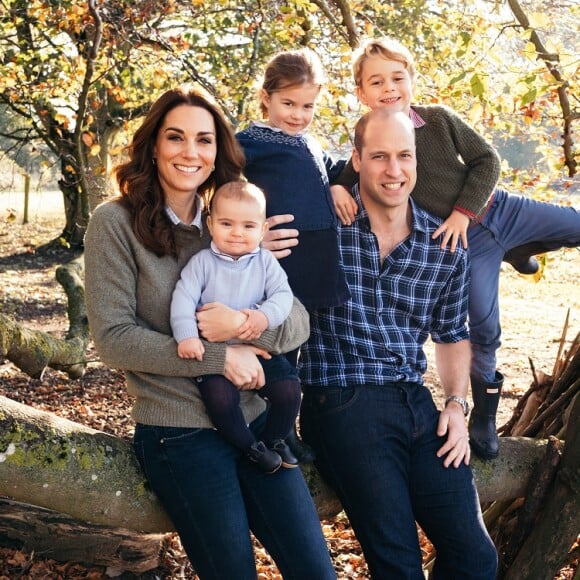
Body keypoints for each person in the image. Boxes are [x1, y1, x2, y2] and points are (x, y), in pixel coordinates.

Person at [84, 85, 336, 580]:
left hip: (257, 421)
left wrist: (246, 329)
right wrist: (222, 359)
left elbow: (299, 319)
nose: (190, 152)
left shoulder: (233, 222)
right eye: (175, 137)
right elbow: (113, 339)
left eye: (204, 140)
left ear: (218, 150)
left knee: (316, 571)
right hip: (179, 429)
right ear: (153, 144)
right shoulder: (113, 223)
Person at [330, 37, 580, 460]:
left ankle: (520, 248)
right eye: (376, 82)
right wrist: (336, 185)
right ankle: (483, 413)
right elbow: (342, 170)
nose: (389, 88)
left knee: (574, 224)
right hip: (466, 244)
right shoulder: (368, 141)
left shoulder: (439, 120)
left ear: (412, 79)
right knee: (482, 324)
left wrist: (464, 210)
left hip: (498, 210)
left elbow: (488, 160)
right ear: (361, 93)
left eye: (397, 77)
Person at [298, 108, 498, 578]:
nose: (394, 170)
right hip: (343, 400)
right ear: (357, 159)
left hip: (416, 403)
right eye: (380, 156)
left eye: (404, 156)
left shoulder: (442, 243)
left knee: (476, 559)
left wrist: (455, 404)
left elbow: (452, 333)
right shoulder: (323, 226)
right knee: (398, 565)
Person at [170, 180, 300, 473]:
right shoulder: (202, 263)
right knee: (220, 400)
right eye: (227, 223)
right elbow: (183, 299)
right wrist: (187, 337)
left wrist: (262, 317)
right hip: (214, 353)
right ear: (211, 223)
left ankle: (274, 439)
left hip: (255, 348)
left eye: (248, 226)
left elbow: (283, 297)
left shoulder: (266, 262)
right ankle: (250, 448)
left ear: (263, 229)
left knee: (289, 389)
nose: (237, 233)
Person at [236, 48, 350, 316]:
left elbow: (337, 171)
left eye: (307, 106)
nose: (298, 115)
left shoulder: (310, 142)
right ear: (266, 97)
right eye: (288, 104)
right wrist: (248, 235)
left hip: (320, 263)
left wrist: (339, 186)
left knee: (309, 345)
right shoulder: (250, 142)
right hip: (285, 261)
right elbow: (217, 186)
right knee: (277, 343)